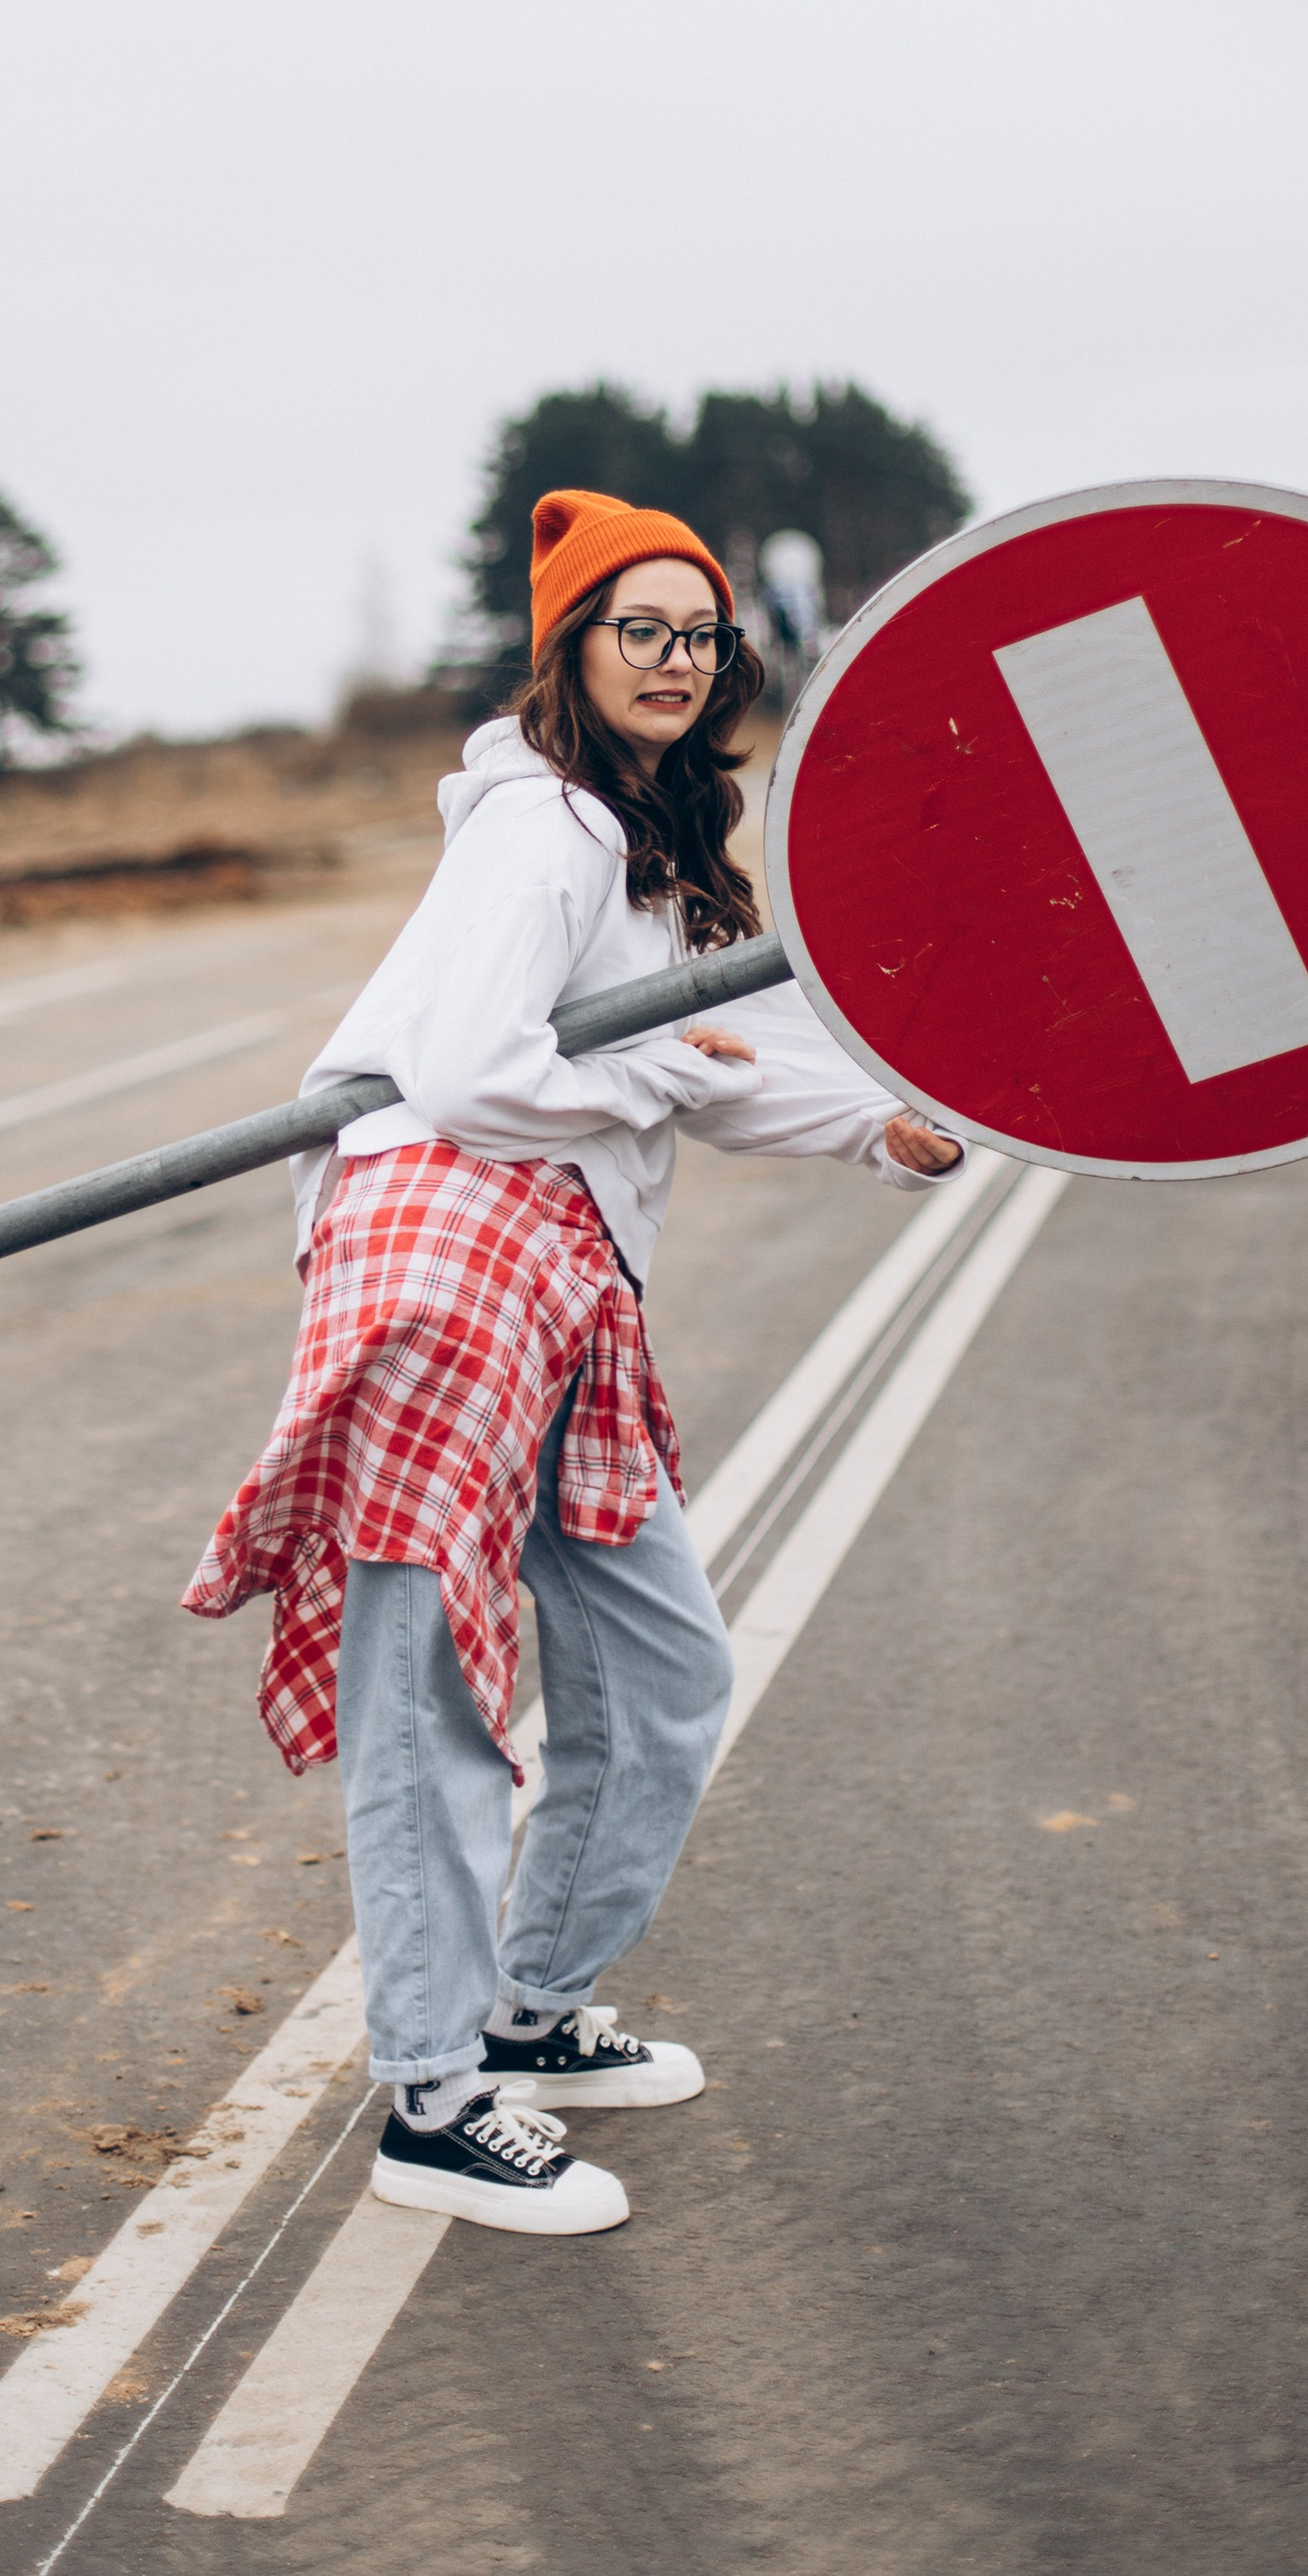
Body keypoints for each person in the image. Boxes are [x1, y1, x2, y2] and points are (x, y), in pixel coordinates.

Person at [184, 488, 962, 2235]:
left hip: (567, 1273)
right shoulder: (536, 831)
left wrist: (880, 1131)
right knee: (431, 1694)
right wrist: (656, 1084)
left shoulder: (645, 840)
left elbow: (728, 1054)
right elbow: (465, 1069)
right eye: (641, 630)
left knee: (657, 1663)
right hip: (443, 1256)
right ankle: (433, 2102)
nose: (676, 660)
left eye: (698, 634)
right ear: (571, 647)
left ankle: (526, 2012)